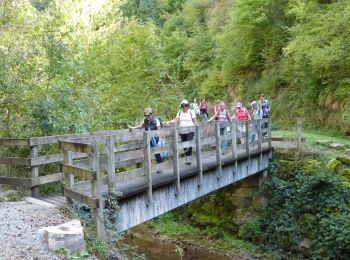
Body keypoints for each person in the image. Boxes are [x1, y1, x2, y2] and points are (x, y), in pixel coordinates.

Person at [164, 99, 197, 164]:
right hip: (182, 131)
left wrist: (196, 128)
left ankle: (189, 160)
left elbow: (195, 121)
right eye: (182, 106)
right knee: (184, 146)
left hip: (190, 130)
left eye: (185, 106)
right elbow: (175, 120)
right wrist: (168, 122)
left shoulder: (191, 112)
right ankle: (188, 159)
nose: (184, 107)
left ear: (188, 106)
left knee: (188, 144)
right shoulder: (179, 112)